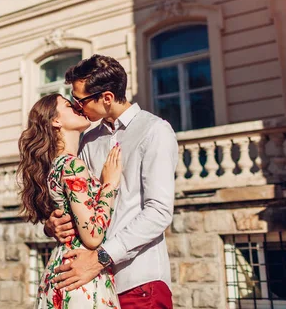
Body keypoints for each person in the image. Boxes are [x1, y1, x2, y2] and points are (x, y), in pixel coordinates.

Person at [44, 55, 177, 309]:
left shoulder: (154, 131)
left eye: (80, 100)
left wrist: (101, 258)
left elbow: (159, 212)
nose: (77, 106)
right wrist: (54, 223)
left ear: (106, 97)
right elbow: (81, 207)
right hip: (94, 285)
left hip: (139, 282)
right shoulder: (89, 140)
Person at [18, 93, 123, 308]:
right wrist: (109, 185)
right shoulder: (72, 166)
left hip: (61, 271)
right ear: (56, 121)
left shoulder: (56, 165)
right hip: (79, 276)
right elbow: (92, 236)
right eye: (68, 105)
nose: (77, 106)